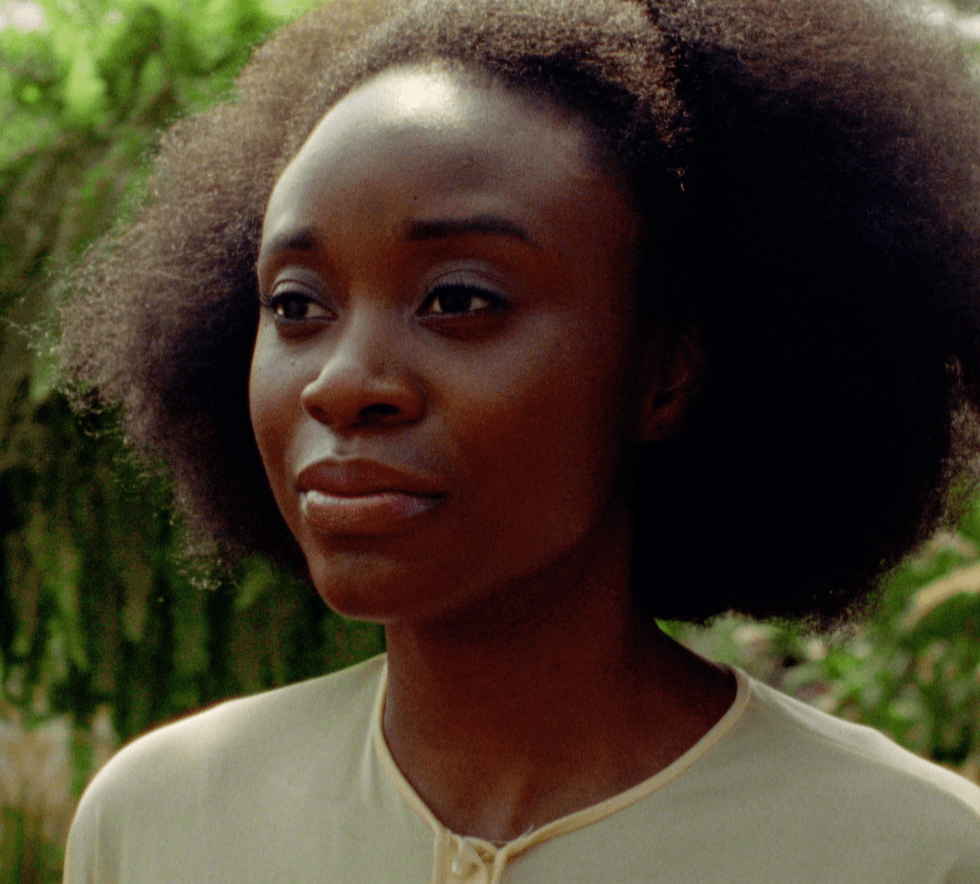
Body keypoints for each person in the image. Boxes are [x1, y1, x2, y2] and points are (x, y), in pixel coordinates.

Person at [58, 0, 980, 880]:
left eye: (459, 299)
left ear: (666, 374)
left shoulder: (916, 856)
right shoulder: (157, 819)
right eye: (296, 306)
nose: (339, 383)